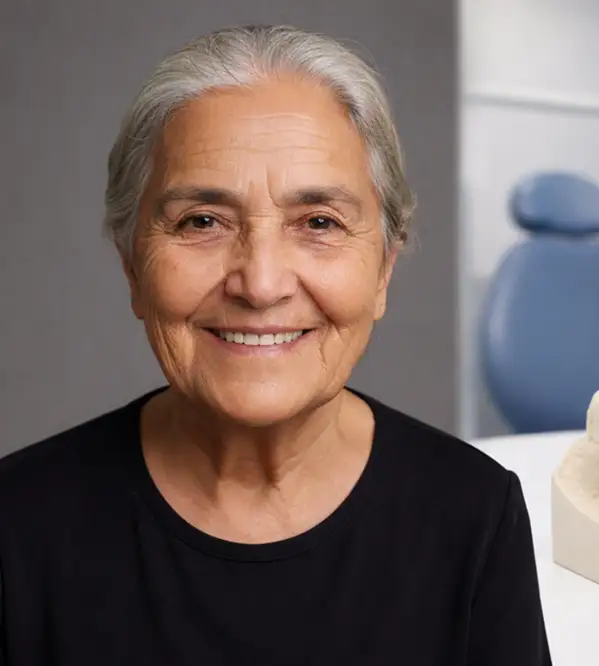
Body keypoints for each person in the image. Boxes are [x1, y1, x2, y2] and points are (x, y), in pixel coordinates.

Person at [0, 24, 551, 665]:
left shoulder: (474, 515)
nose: (260, 285)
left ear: (384, 270)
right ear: (132, 265)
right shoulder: (15, 525)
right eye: (201, 222)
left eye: (319, 223)